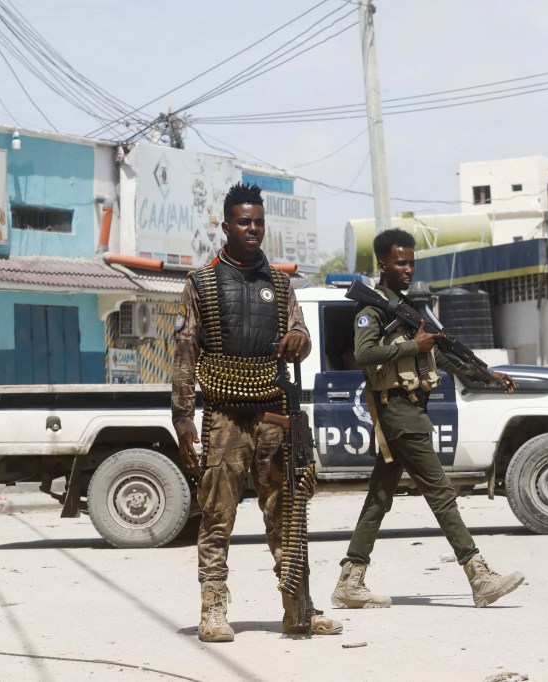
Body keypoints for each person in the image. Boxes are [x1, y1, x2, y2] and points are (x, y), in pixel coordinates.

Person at [172, 182, 343, 643]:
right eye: (244, 222)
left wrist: (299, 342)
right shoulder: (202, 284)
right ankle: (213, 608)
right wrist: (183, 416)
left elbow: (300, 334)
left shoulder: (280, 283)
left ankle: (298, 608)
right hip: (225, 417)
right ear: (225, 226)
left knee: (287, 512)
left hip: (273, 415)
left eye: (259, 223)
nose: (253, 229)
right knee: (216, 514)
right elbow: (185, 350)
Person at [331, 228, 525, 610]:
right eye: (401, 262)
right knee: (441, 493)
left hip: (410, 410)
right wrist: (411, 344)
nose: (408, 269)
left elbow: (441, 357)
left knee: (379, 498)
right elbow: (364, 355)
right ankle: (479, 575)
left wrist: (488, 375)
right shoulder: (371, 309)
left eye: (411, 263)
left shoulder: (403, 308)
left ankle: (350, 581)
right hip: (398, 412)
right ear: (382, 265)